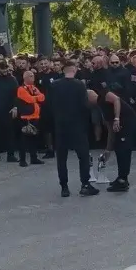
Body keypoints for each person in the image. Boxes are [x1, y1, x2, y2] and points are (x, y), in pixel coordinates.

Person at [48, 60, 99, 197]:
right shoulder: (79, 85)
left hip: (60, 125)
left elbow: (50, 105)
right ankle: (85, 184)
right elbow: (85, 106)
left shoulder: (54, 85)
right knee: (83, 156)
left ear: (63, 70)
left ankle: (64, 187)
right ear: (74, 70)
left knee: (62, 158)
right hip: (77, 125)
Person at [91, 83, 136, 192]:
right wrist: (108, 149)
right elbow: (110, 130)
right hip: (119, 124)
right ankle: (121, 177)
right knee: (119, 149)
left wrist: (117, 118)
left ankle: (123, 180)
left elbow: (116, 99)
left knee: (124, 150)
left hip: (126, 121)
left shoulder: (104, 95)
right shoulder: (101, 107)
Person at [15, 70, 45, 167]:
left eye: (33, 76)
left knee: (33, 138)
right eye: (31, 76)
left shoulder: (34, 88)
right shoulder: (21, 89)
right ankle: (22, 160)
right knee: (24, 139)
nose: (33, 78)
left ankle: (34, 158)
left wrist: (37, 96)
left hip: (35, 117)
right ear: (26, 78)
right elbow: (29, 99)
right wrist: (37, 97)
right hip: (26, 118)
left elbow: (43, 97)